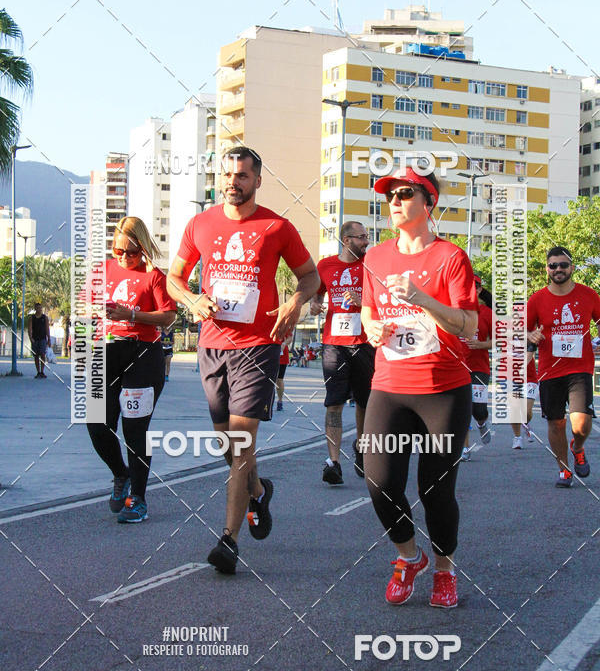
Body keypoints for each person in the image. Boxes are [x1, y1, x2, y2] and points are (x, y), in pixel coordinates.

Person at [167, 145, 319, 574]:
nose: (233, 183)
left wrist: (295, 303)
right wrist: (192, 298)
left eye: (243, 176)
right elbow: (174, 277)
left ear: (257, 181)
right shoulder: (200, 224)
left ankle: (228, 540)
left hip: (258, 345)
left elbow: (311, 276)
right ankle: (258, 490)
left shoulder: (277, 226)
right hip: (212, 343)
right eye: (228, 175)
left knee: (239, 442)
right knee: (227, 446)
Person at [360, 166, 478, 609]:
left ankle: (445, 569)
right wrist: (373, 328)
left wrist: (422, 299)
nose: (394, 199)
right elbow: (371, 311)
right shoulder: (376, 257)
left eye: (405, 193)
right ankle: (409, 556)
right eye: (390, 193)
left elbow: (468, 323)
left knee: (436, 490)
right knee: (379, 480)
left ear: (428, 203)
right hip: (389, 386)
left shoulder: (450, 257)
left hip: (443, 389)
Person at [87, 217, 177, 523]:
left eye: (132, 252)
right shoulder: (103, 270)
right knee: (97, 425)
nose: (124, 257)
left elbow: (168, 317)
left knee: (135, 430)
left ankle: (138, 499)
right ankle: (120, 474)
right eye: (118, 250)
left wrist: (133, 313)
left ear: (142, 247)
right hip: (106, 352)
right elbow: (87, 305)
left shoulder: (154, 276)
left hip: (143, 355)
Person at [527, 246, 600, 487]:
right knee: (556, 423)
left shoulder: (589, 295)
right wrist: (531, 336)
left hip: (579, 370)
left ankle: (577, 447)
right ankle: (564, 469)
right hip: (549, 371)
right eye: (553, 265)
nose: (558, 269)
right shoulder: (537, 299)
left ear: (572, 268)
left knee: (580, 424)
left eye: (563, 265)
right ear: (547, 269)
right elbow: (522, 332)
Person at [310, 221, 375, 484]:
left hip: (365, 343)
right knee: (334, 402)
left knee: (365, 403)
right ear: (346, 240)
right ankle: (333, 462)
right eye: (361, 237)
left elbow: (385, 298)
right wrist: (315, 305)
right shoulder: (325, 266)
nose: (366, 241)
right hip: (334, 343)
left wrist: (364, 302)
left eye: (367, 237)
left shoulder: (372, 264)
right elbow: (315, 294)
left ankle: (361, 447)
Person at [461, 275, 493, 460]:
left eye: (475, 287)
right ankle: (464, 449)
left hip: (479, 368)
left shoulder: (487, 313)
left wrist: (481, 345)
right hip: (457, 367)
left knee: (478, 409)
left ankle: (482, 423)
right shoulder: (452, 311)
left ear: (480, 290)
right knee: (462, 408)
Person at [510, 346, 537, 448]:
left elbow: (533, 348)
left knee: (527, 412)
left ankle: (525, 424)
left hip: (529, 377)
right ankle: (517, 438)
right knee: (514, 409)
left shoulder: (528, 332)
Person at [28, 303, 51, 378]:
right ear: (35, 309)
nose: (39, 309)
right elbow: (30, 329)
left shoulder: (45, 318)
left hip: (43, 339)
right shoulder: (32, 318)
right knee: (36, 355)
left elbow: (47, 329)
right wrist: (31, 338)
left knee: (43, 354)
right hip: (35, 339)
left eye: (40, 308)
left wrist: (49, 339)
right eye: (38, 308)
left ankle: (42, 371)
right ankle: (38, 372)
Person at [276, 336, 292, 411]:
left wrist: (284, 343)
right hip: (268, 353)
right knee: (267, 380)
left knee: (279, 379)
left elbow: (290, 338)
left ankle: (280, 401)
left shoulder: (283, 324)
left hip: (281, 355)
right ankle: (266, 403)